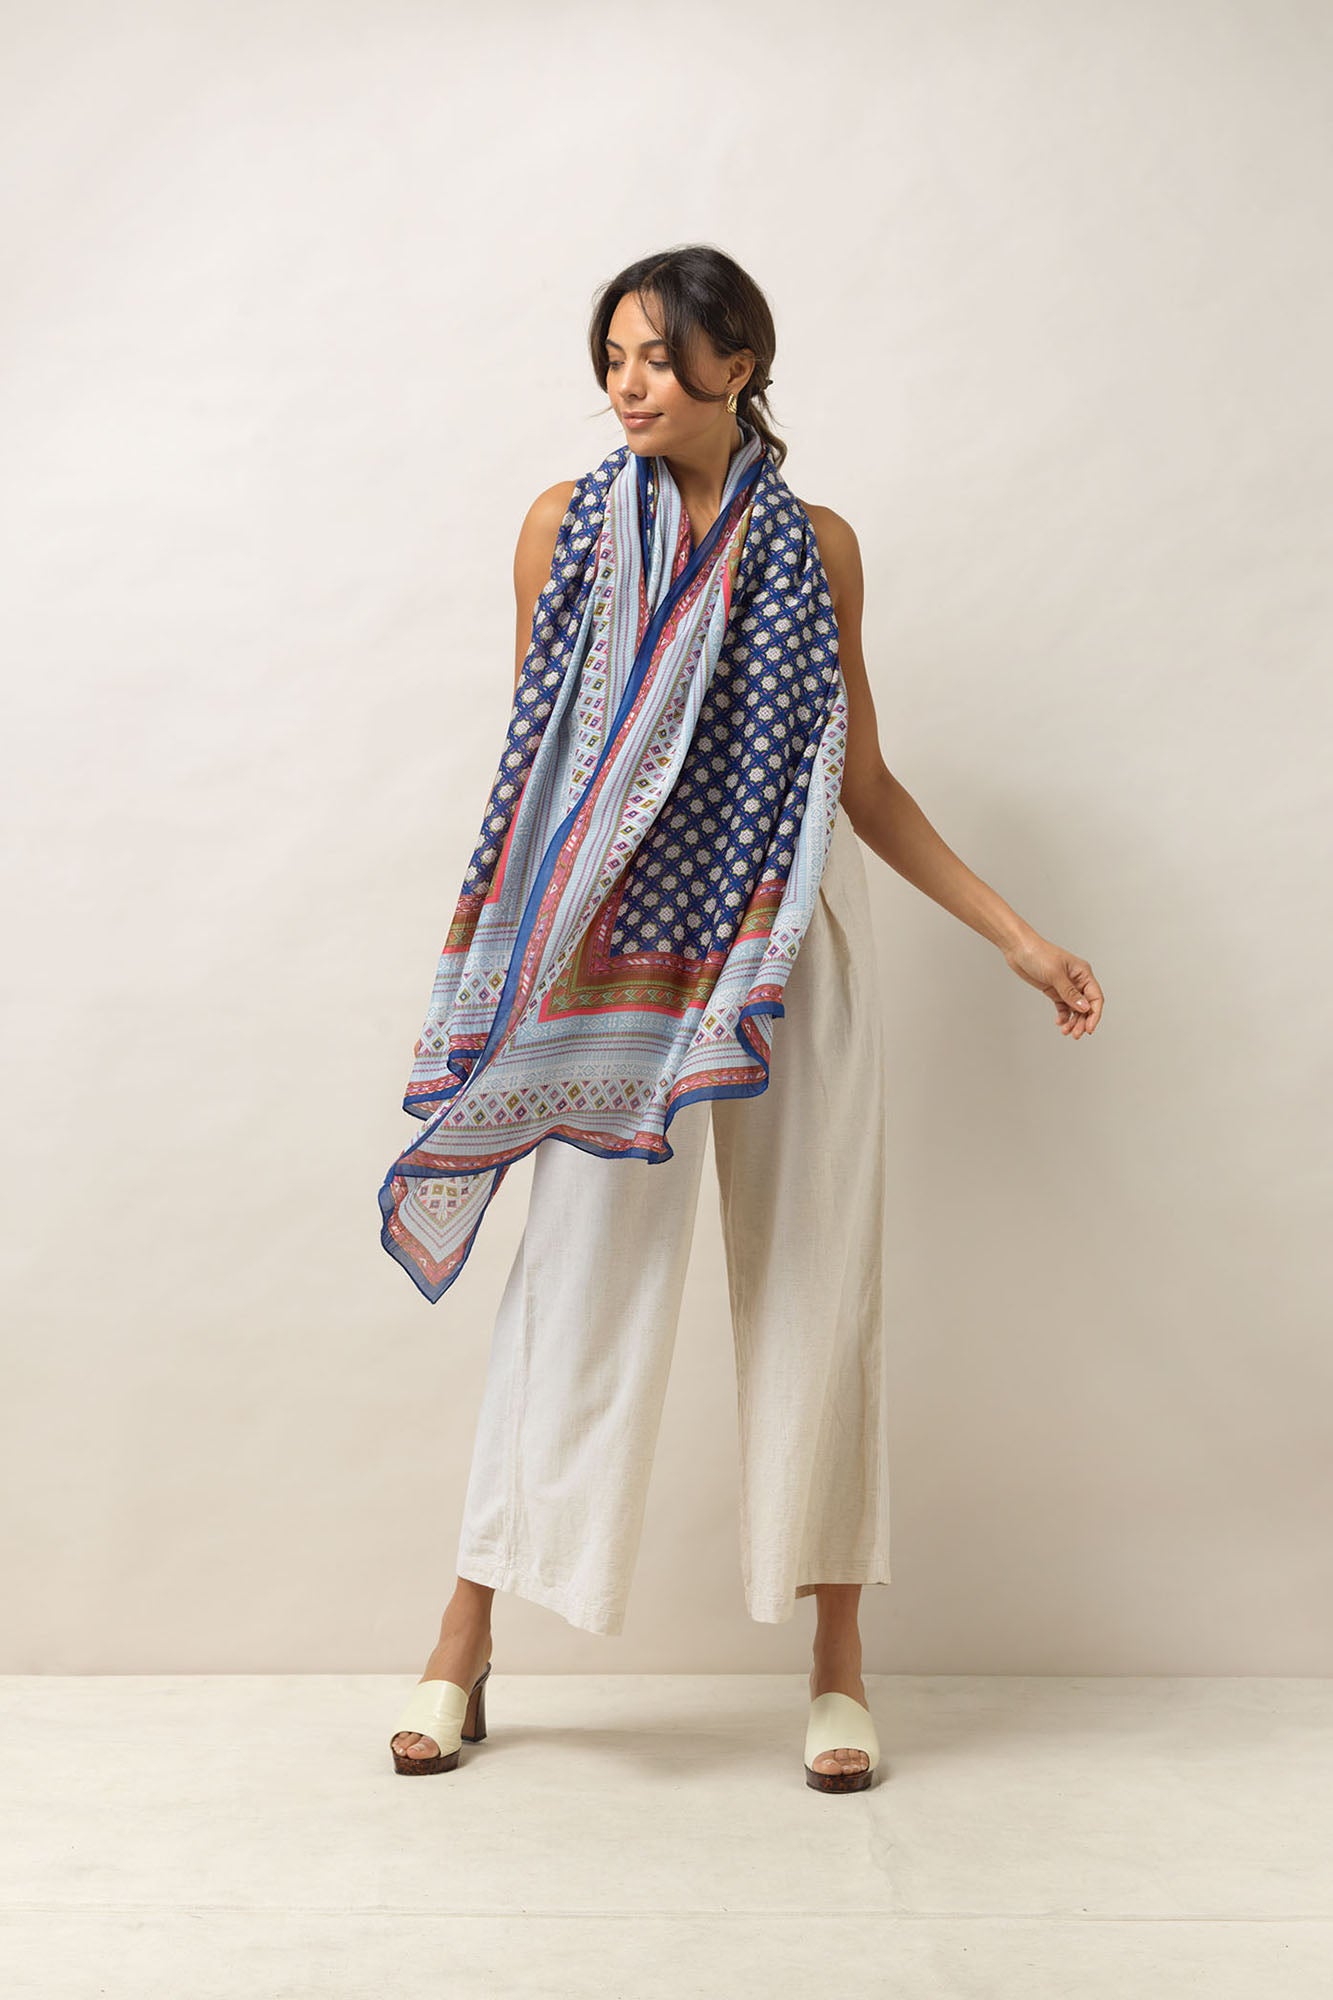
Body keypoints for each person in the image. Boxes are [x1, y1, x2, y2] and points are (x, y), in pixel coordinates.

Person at [387, 246, 1104, 1791]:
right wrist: (510, 974)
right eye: (612, 356)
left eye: (657, 355)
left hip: (784, 940)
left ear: (737, 365)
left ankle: (837, 1661)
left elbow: (860, 780)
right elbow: (544, 773)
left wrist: (1016, 938)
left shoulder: (814, 547)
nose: (627, 383)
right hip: (615, 962)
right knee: (570, 1285)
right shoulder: (562, 528)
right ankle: (465, 1636)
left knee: (818, 1283)